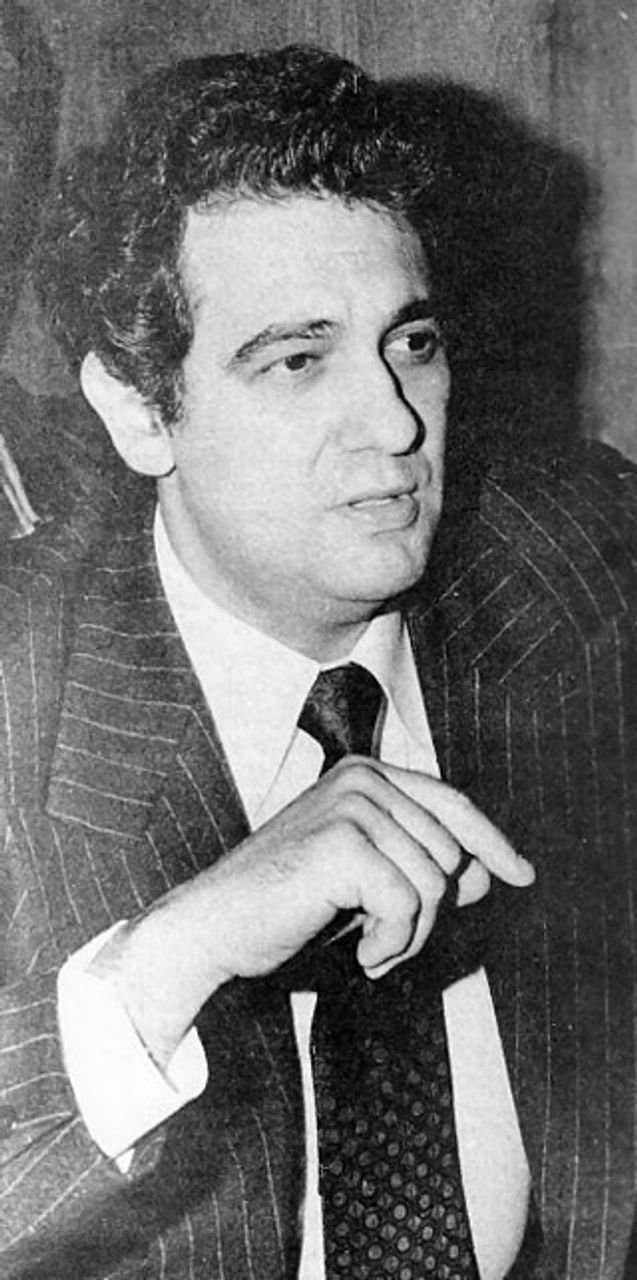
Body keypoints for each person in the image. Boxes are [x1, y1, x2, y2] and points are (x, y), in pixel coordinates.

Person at [0, 45, 636, 1280]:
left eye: (412, 343)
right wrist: (171, 954)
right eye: (298, 360)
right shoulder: (20, 690)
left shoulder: (588, 579)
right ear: (138, 409)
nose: (395, 423)